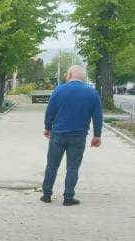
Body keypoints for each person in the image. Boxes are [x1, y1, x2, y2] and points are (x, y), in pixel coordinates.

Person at [41, 65, 102, 206]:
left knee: (52, 165)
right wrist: (97, 135)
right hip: (78, 136)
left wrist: (47, 127)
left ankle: (46, 195)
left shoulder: (59, 90)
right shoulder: (92, 93)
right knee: (73, 167)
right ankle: (68, 197)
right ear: (83, 77)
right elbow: (97, 116)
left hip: (58, 134)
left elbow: (50, 111)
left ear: (69, 74)